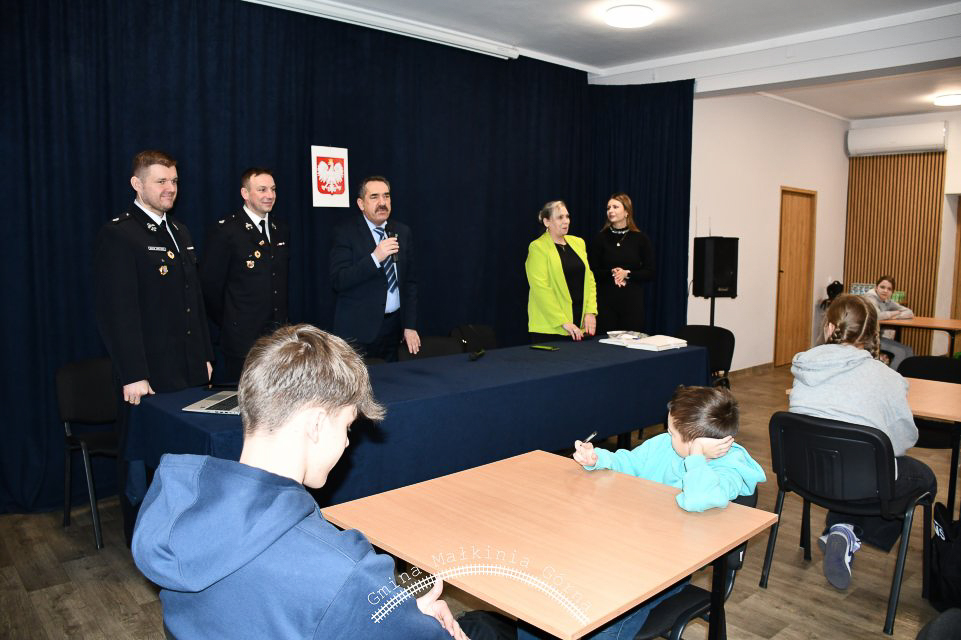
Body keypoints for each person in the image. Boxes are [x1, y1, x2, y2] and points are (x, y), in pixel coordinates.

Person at [132, 324, 468, 639]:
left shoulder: (176, 518)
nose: (347, 443)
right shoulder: (342, 571)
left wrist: (393, 616)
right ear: (316, 425)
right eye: (347, 427)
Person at [517, 385, 763, 640]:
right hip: (624, 549)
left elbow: (697, 499)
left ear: (695, 444)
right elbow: (630, 463)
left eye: (672, 433)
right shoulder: (663, 446)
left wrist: (696, 457)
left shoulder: (730, 470)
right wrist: (598, 459)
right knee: (540, 610)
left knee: (601, 628)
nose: (667, 435)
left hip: (666, 572)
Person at [94, 149, 213, 541]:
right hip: (146, 376)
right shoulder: (120, 234)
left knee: (185, 460)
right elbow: (117, 312)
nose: (170, 188)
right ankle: (143, 540)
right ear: (137, 183)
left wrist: (205, 356)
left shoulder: (180, 232)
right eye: (161, 181)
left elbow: (194, 302)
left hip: (187, 370)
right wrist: (132, 373)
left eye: (174, 181)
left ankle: (184, 535)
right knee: (142, 465)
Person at [789, 294, 936, 590]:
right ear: (872, 334)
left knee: (855, 468)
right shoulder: (887, 378)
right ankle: (850, 530)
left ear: (829, 327)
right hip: (862, 483)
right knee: (924, 479)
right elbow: (903, 442)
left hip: (808, 477)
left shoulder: (803, 368)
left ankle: (843, 528)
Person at [201, 168, 289, 382]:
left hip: (277, 338)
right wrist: (233, 320)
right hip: (242, 340)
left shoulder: (280, 229)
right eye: (262, 189)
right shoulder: (227, 231)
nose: (270, 195)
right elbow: (210, 287)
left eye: (273, 189)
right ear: (245, 193)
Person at [330, 176, 420, 361]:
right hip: (359, 332)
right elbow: (339, 280)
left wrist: (409, 325)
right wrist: (375, 258)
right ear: (361, 204)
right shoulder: (345, 233)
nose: (382, 203)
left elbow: (410, 283)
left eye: (386, 196)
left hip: (394, 330)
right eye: (374, 197)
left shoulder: (402, 232)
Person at [525, 200, 598, 342]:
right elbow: (541, 289)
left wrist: (590, 311)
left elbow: (589, 280)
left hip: (580, 326)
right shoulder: (537, 247)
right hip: (551, 329)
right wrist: (563, 322)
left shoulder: (578, 243)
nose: (566, 221)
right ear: (547, 222)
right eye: (560, 217)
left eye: (567, 216)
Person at [588, 193, 654, 335]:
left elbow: (650, 272)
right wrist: (612, 273)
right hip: (606, 303)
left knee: (632, 344)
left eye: (615, 207)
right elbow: (592, 271)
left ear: (626, 212)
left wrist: (627, 274)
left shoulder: (640, 239)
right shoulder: (600, 238)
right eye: (608, 208)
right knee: (605, 344)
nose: (610, 211)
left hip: (632, 304)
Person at [862, 274, 915, 370]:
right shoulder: (870, 298)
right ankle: (893, 377)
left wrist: (897, 316)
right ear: (876, 287)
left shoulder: (887, 301)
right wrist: (893, 313)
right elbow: (878, 316)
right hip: (866, 339)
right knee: (900, 352)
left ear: (892, 292)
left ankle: (907, 375)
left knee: (908, 350)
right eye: (882, 287)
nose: (885, 291)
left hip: (877, 337)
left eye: (889, 289)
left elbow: (910, 312)